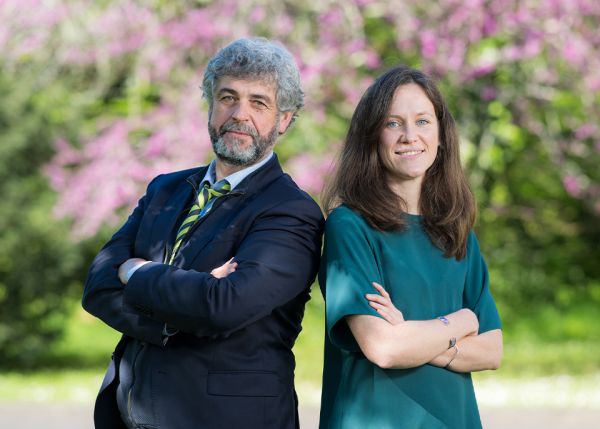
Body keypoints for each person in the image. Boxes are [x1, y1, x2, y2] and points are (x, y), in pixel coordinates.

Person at [82, 38, 324, 429]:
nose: (239, 114)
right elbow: (97, 286)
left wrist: (137, 273)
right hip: (128, 416)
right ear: (210, 107)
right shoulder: (165, 189)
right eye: (227, 97)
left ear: (284, 120)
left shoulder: (291, 211)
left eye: (258, 103)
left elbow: (223, 306)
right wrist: (175, 313)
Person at [318, 66, 503, 429]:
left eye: (422, 121)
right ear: (372, 136)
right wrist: (461, 321)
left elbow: (492, 350)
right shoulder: (350, 226)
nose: (409, 136)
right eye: (392, 123)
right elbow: (384, 349)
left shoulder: (456, 231)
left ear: (441, 135)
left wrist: (412, 335)